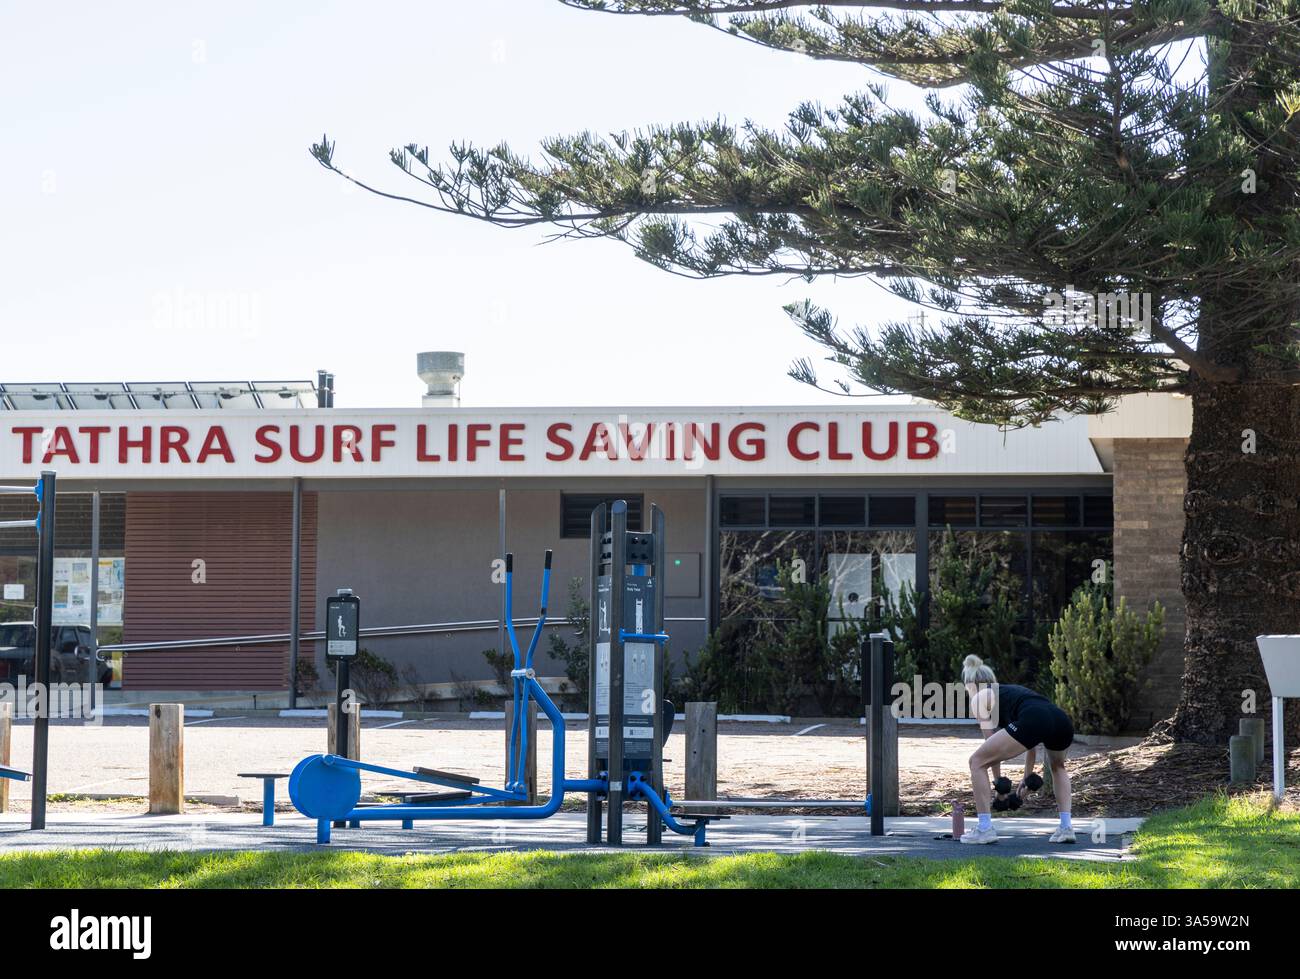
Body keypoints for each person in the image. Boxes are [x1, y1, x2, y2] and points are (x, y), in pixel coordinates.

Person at [959, 654, 1075, 845]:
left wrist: (1000, 789)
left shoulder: (979, 698)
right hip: (1060, 719)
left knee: (976, 762)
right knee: (1058, 767)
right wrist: (1026, 778)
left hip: (1035, 719)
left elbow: (990, 747)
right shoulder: (1006, 694)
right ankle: (1066, 828)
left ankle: (985, 828)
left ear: (969, 684)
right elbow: (1030, 744)